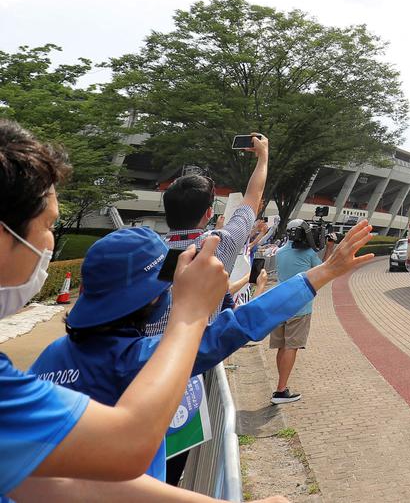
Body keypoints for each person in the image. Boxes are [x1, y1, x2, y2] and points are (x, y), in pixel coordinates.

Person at [0, 120, 288, 502]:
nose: (51, 241)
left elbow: (49, 479)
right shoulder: (209, 252)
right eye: (51, 224)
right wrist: (189, 312)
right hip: (167, 402)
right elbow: (120, 450)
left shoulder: (144, 250)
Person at [28, 222, 377, 480]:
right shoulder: (143, 362)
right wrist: (327, 271)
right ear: (154, 296)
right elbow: (237, 326)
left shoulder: (48, 357)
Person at [152, 134, 271, 335]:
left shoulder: (151, 250)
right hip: (195, 354)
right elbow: (253, 196)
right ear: (208, 213)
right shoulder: (218, 243)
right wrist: (263, 157)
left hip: (146, 353)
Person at [268, 219, 337, 404]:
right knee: (291, 346)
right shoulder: (308, 253)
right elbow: (323, 270)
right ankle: (281, 390)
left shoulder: (280, 252)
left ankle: (281, 385)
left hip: (279, 304)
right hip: (300, 307)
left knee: (282, 346)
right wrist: (329, 248)